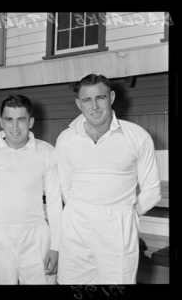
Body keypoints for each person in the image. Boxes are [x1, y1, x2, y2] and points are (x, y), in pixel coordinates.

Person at [55, 74, 161, 284]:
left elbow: (152, 192)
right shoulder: (66, 139)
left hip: (117, 229)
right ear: (78, 103)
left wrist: (126, 213)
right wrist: (82, 211)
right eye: (87, 100)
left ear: (111, 97)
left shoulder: (137, 137)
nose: (94, 106)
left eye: (100, 98)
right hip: (76, 228)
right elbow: (65, 187)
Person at [0, 95, 63, 284]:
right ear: (1, 122)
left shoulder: (47, 152)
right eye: (9, 119)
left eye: (21, 119)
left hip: (36, 238)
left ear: (31, 122)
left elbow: (53, 202)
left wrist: (56, 246)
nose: (15, 127)